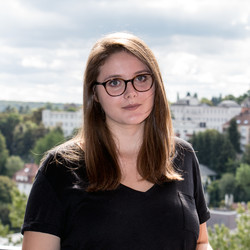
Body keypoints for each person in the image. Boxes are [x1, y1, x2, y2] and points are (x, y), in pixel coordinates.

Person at [21, 32, 212, 250]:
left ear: (156, 84)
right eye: (114, 82)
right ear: (95, 94)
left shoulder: (182, 156)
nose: (130, 92)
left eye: (141, 78)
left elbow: (201, 241)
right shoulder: (60, 169)